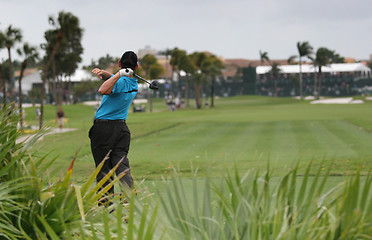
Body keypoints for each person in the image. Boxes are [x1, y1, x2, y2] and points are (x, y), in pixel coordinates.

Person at [89, 51, 138, 204]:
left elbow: (103, 90)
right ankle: (129, 197)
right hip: (121, 129)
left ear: (119, 64)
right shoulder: (133, 84)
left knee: (103, 168)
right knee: (121, 163)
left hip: (104, 129)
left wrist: (116, 74)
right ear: (136, 67)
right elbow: (115, 81)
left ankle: (105, 205)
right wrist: (106, 74)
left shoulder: (118, 81)